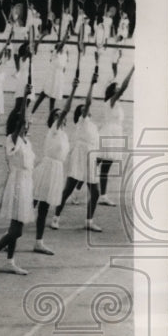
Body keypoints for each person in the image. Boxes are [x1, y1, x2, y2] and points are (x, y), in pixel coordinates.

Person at [0, 100, 36, 275]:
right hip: (17, 184)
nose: (27, 124)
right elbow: (19, 125)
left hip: (26, 183)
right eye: (24, 122)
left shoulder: (27, 142)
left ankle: (10, 261)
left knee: (16, 227)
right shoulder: (11, 139)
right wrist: (25, 97)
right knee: (16, 230)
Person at [51, 68, 104, 231]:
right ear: (79, 114)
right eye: (82, 109)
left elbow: (96, 143)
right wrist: (92, 85)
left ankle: (89, 221)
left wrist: (98, 157)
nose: (85, 110)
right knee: (68, 190)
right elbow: (88, 102)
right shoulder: (81, 121)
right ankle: (55, 217)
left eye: (85, 109)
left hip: (91, 156)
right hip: (80, 156)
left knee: (95, 193)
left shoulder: (93, 125)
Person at [30, 89, 76, 256]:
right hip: (46, 170)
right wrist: (74, 90)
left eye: (60, 116)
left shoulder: (64, 135)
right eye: (56, 115)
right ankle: (10, 237)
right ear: (53, 120)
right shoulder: (54, 130)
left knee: (43, 209)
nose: (59, 117)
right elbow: (66, 110)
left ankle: (38, 242)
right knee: (30, 206)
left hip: (56, 171)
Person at [95, 66, 134, 207]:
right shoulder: (111, 101)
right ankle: (77, 189)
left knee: (104, 166)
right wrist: (132, 70)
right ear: (112, 92)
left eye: (118, 88)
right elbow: (125, 86)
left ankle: (103, 196)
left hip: (115, 135)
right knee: (97, 164)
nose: (119, 89)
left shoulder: (116, 103)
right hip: (108, 134)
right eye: (116, 88)